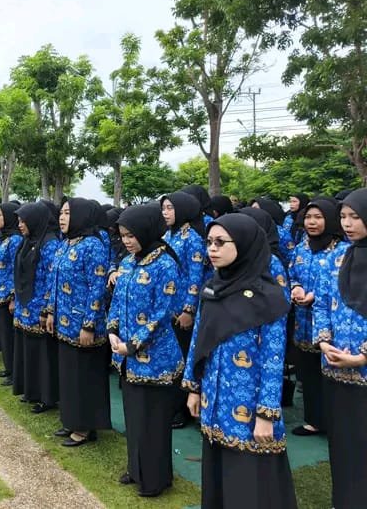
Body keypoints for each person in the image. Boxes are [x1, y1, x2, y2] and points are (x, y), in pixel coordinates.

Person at [183, 214, 297, 509]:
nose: (212, 249)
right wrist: (194, 387)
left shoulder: (268, 297)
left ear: (245, 244)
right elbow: (199, 340)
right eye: (209, 242)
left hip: (249, 407)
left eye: (221, 242)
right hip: (214, 400)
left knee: (249, 483)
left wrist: (266, 415)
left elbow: (273, 360)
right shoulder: (212, 288)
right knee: (218, 476)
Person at [107, 203, 183, 497]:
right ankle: (136, 469)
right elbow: (117, 301)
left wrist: (132, 344)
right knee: (134, 417)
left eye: (131, 235)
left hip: (155, 360)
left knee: (153, 422)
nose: (126, 241)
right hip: (126, 357)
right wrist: (112, 330)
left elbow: (161, 315)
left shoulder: (165, 264)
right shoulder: (128, 262)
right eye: (123, 235)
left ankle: (154, 479)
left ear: (147, 231)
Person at [312, 188, 367, 509]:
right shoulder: (335, 258)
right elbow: (321, 303)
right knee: (343, 442)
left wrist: (362, 356)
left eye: (355, 217)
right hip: (335, 368)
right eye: (343, 216)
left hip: (362, 368)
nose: (347, 224)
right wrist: (323, 341)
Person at [47, 198, 111, 447]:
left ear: (81, 216)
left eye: (67, 213)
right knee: (69, 376)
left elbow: (97, 288)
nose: (62, 218)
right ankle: (71, 420)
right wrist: (50, 312)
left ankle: (85, 427)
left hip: (83, 324)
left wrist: (88, 325)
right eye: (61, 213)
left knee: (84, 377)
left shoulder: (93, 245)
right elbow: (54, 281)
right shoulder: (65, 243)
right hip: (63, 322)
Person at [289, 199, 346, 437]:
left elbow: (344, 286)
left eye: (318, 217)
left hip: (332, 326)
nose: (312, 222)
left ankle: (337, 423)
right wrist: (296, 288)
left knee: (333, 377)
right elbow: (292, 272)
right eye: (309, 217)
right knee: (310, 375)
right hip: (303, 323)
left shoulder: (342, 251)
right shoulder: (301, 248)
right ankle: (314, 420)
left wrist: (315, 295)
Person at [161, 191, 207, 428]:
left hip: (182, 310)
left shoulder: (193, 238)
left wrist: (188, 310)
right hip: (167, 307)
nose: (165, 213)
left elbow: (195, 277)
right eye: (163, 208)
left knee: (183, 358)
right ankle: (171, 405)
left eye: (170, 208)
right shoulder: (168, 234)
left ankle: (183, 409)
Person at [13, 202, 60, 413]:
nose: (20, 225)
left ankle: (46, 397)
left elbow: (51, 280)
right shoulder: (28, 241)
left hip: (39, 307)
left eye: (23, 221)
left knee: (43, 355)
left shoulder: (50, 244)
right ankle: (31, 391)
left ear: (34, 221)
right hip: (25, 305)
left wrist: (46, 310)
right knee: (29, 351)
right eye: (19, 221)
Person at [0, 202, 23, 385]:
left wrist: (13, 297)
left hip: (8, 296)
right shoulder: (1, 238)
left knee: (10, 336)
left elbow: (15, 270)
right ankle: (9, 367)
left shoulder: (15, 240)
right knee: (3, 333)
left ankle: (15, 372)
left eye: (0, 215)